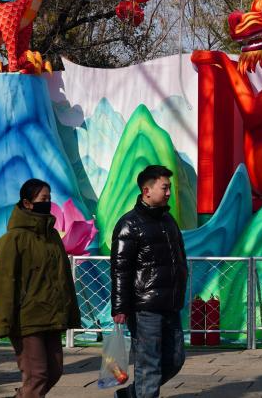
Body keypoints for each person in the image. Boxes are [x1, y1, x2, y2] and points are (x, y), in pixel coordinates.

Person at [0, 178, 81, 398]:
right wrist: (4, 323)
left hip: (51, 316)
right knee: (37, 376)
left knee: (55, 371)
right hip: (26, 319)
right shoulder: (12, 240)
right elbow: (4, 283)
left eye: (49, 198)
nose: (48, 202)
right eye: (43, 198)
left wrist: (70, 312)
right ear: (27, 203)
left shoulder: (52, 236)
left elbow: (63, 277)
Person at [111, 164, 189, 398]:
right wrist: (120, 307)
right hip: (145, 308)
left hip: (171, 304)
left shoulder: (168, 220)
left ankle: (130, 395)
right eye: (164, 188)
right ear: (147, 190)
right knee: (149, 364)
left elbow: (180, 257)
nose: (169, 193)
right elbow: (120, 269)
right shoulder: (129, 224)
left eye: (169, 188)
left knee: (175, 359)